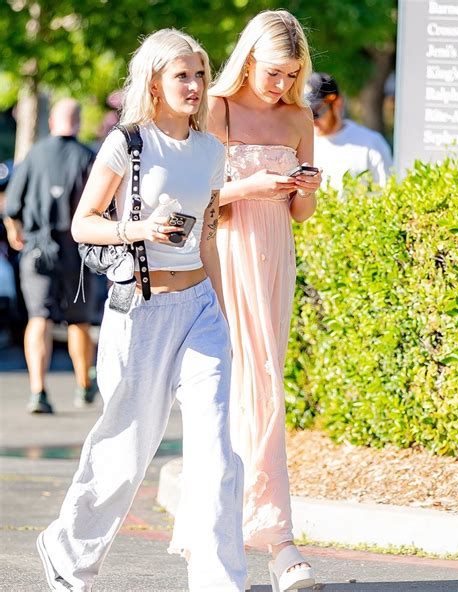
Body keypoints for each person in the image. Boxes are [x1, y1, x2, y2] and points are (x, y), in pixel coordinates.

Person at [35, 29, 246, 592]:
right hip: (143, 308)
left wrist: (225, 315)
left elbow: (207, 241)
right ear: (154, 81)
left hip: (200, 307)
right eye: (183, 75)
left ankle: (220, 580)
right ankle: (67, 551)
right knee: (126, 451)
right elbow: (84, 222)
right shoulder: (127, 144)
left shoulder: (211, 152)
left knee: (218, 448)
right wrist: (138, 228)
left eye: (200, 74)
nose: (196, 85)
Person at [208, 10, 321, 592]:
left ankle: (275, 536)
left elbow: (300, 216)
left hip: (274, 257)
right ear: (249, 58)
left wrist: (307, 190)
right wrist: (245, 188)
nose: (281, 86)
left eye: (291, 75)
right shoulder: (217, 110)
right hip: (223, 255)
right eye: (274, 73)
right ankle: (235, 537)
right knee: (228, 391)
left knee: (266, 385)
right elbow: (194, 200)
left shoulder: (300, 117)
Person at [4, 98, 97, 413]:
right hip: (77, 250)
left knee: (38, 317)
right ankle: (84, 384)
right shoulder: (87, 158)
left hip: (37, 249)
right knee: (78, 322)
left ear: (53, 121)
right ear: (78, 122)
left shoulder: (34, 155)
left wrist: (13, 230)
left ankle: (38, 391)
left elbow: (12, 205)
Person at [306, 72, 393, 191]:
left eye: (316, 112)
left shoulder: (371, 142)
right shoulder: (300, 144)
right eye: (305, 113)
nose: (312, 120)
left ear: (337, 103)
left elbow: (386, 193)